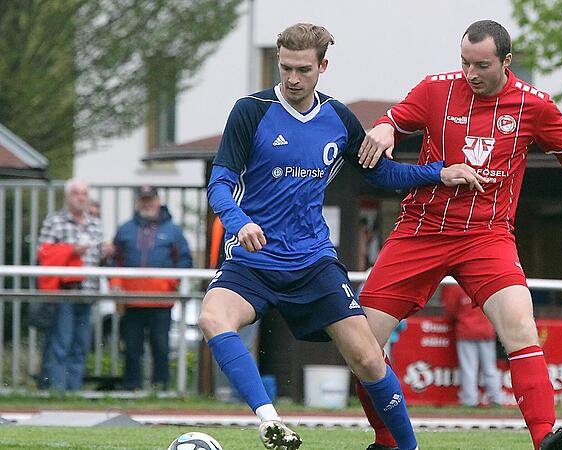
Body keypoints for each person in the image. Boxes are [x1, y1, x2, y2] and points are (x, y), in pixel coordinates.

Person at [355, 20, 562, 450]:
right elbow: (395, 118)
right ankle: (387, 441)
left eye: (481, 65)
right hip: (420, 230)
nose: (471, 73)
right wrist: (386, 127)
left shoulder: (533, 105)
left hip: (487, 236)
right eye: (464, 62)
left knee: (521, 324)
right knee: (362, 342)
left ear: (506, 61)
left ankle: (546, 439)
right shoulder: (435, 90)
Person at [198, 23, 485, 450]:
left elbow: (381, 173)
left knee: (368, 357)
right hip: (253, 260)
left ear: (323, 66)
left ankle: (407, 448)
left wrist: (439, 174)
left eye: (303, 70)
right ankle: (269, 421)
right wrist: (240, 222)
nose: (292, 79)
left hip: (313, 262)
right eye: (285, 68)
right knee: (212, 318)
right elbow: (219, 184)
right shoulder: (250, 111)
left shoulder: (336, 119)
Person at [111, 185, 192, 390]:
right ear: (138, 202)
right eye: (143, 199)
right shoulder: (125, 229)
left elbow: (184, 260)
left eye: (150, 199)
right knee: (131, 347)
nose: (147, 203)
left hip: (161, 301)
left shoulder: (173, 231)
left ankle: (161, 387)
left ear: (158, 200)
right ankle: (131, 387)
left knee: (161, 346)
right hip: (131, 300)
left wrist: (172, 283)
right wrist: (116, 284)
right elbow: (114, 259)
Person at [37, 179, 106, 392]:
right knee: (61, 342)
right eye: (76, 193)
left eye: (84, 193)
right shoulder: (54, 221)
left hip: (88, 291)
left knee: (81, 344)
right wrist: (71, 251)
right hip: (64, 292)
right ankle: (56, 390)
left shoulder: (95, 224)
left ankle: (74, 390)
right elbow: (44, 253)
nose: (81, 197)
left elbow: (97, 257)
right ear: (68, 197)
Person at [441, 284, 502, 407]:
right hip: (485, 331)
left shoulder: (457, 286)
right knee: (489, 368)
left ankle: (469, 400)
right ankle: (496, 399)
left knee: (469, 368)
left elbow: (451, 310)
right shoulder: (486, 283)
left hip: (466, 331)